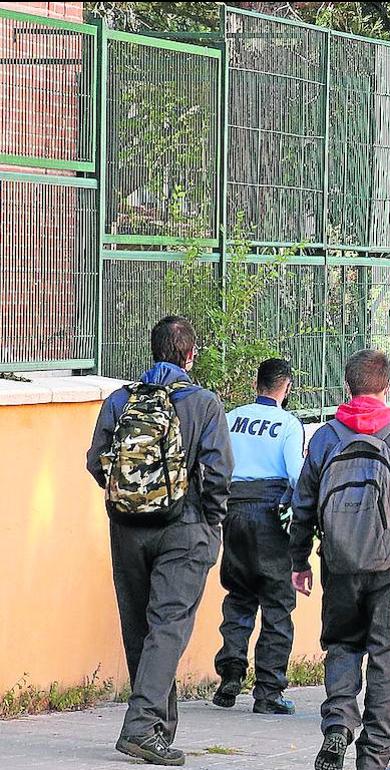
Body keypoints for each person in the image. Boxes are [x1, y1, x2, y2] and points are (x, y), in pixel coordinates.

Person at [86, 315, 233, 766]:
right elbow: (218, 473)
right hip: (184, 528)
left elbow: (97, 463)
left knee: (141, 629)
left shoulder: (120, 400)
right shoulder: (203, 402)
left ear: (152, 352)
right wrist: (212, 525)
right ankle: (140, 727)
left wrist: (132, 502)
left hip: (127, 529)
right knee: (168, 626)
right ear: (190, 355)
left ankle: (156, 730)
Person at [289, 350, 390, 770]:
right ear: (387, 387)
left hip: (338, 562)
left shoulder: (325, 437)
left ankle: (338, 725)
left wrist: (299, 560)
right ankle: (374, 752)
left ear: (347, 387)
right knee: (388, 654)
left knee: (341, 644)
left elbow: (303, 503)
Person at [212, 358, 304, 716]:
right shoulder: (288, 424)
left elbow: (217, 463)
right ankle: (268, 691)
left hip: (233, 511)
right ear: (287, 388)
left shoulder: (232, 418)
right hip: (270, 514)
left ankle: (231, 671)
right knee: (277, 603)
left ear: (257, 383)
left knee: (239, 595)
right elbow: (296, 475)